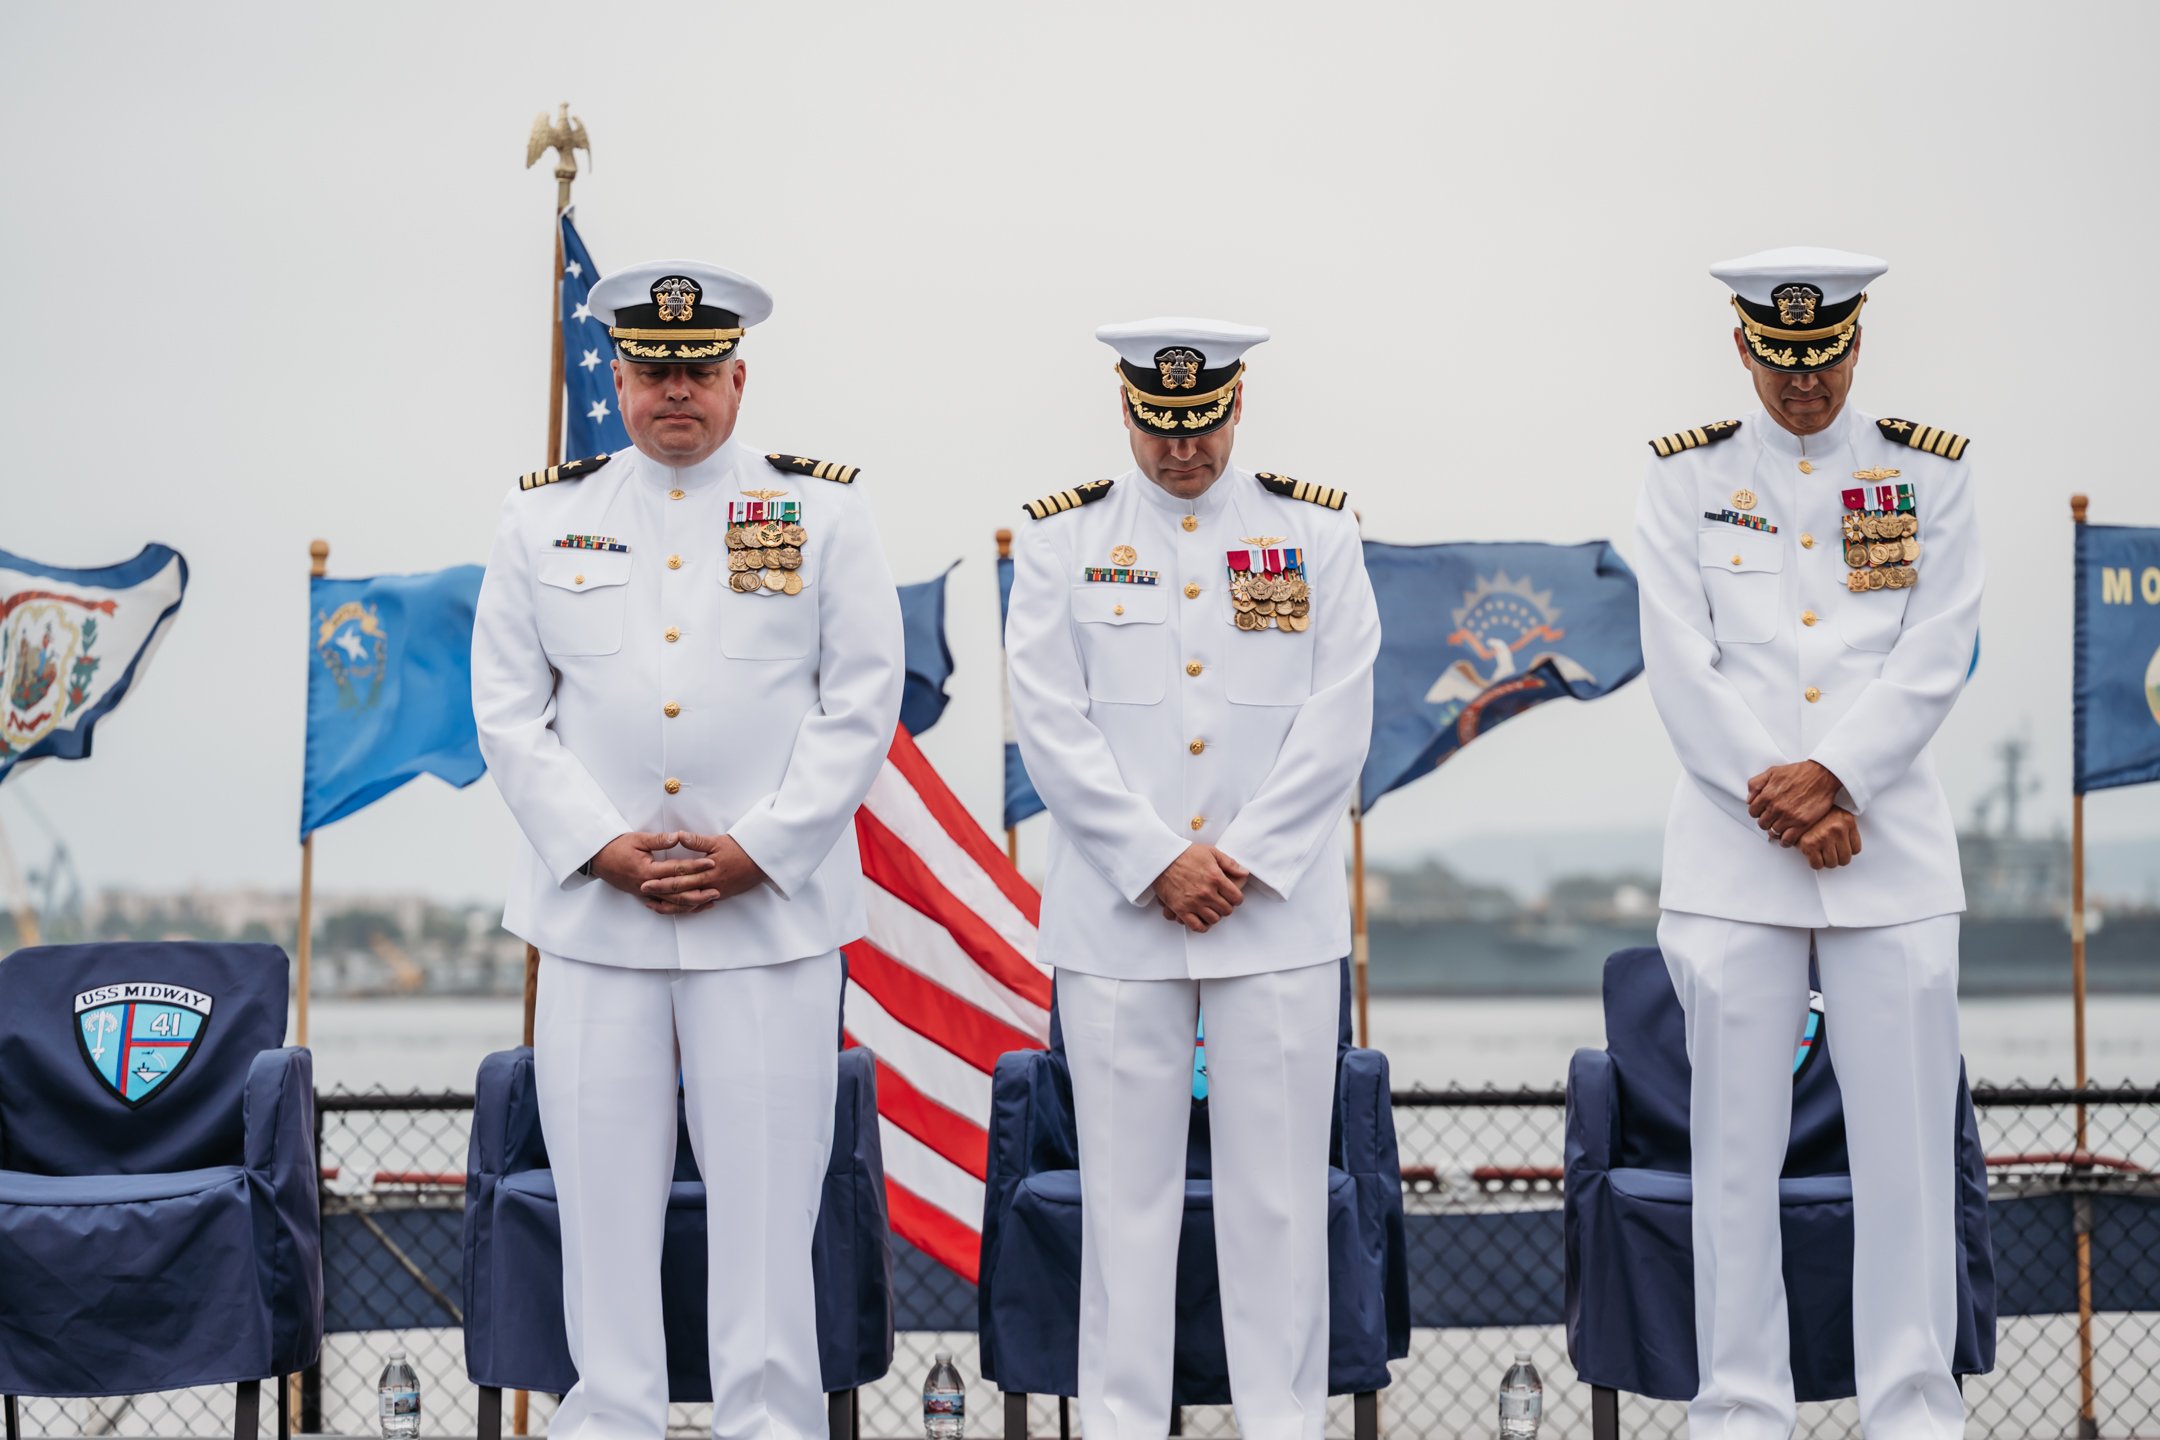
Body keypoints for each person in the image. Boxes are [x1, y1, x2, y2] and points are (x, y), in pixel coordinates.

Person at [471, 259, 903, 1440]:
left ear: (738, 378)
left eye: (698, 371)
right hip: (596, 924)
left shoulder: (822, 513)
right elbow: (509, 712)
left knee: (768, 1219)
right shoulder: (543, 515)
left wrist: (762, 849)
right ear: (617, 376)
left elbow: (862, 702)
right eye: (653, 370)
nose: (676, 392)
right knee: (600, 1214)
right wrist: (601, 847)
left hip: (768, 922)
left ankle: (772, 1425)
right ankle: (608, 1422)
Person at [1004, 317, 1381, 1440]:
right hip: (1120, 921)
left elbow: (1340, 716)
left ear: (1236, 407)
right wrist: (1157, 859)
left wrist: (1242, 860)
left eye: (1201, 424)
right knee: (1124, 1212)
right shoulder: (1059, 540)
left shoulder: (1317, 533)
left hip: (1275, 921)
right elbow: (1050, 725)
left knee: (1275, 1209)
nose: (1182, 450)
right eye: (1160, 427)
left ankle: (1285, 1427)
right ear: (1127, 413)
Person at [1634, 247, 1983, 1440]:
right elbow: (1680, 665)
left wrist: (1837, 776)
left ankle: (1913, 1409)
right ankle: (1739, 1409)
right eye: (1782, 361)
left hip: (1891, 863)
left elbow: (1938, 650)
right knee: (1733, 1159)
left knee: (1909, 1167)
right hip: (1736, 867)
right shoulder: (1683, 479)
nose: (1804, 385)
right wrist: (1781, 796)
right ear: (1744, 347)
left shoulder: (1927, 473)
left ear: (1855, 341)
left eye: (1823, 357)